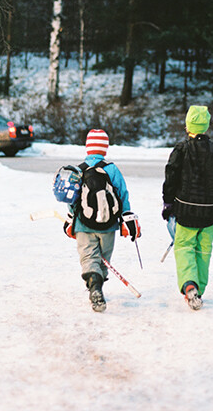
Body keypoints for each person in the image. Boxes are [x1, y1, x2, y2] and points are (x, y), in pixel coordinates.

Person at [61, 129, 138, 313]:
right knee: (103, 259)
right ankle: (99, 283)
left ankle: (93, 286)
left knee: (89, 256)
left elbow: (72, 200)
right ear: (105, 148)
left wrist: (70, 221)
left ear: (87, 147)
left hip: (83, 225)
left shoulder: (79, 170)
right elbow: (122, 195)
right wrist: (127, 218)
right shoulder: (111, 169)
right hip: (108, 225)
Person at [161, 105, 213, 311]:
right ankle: (200, 288)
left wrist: (168, 202)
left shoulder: (181, 149)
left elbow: (171, 176)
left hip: (186, 211)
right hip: (210, 211)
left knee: (184, 247)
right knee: (204, 250)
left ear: (188, 125)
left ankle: (190, 285)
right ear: (206, 126)